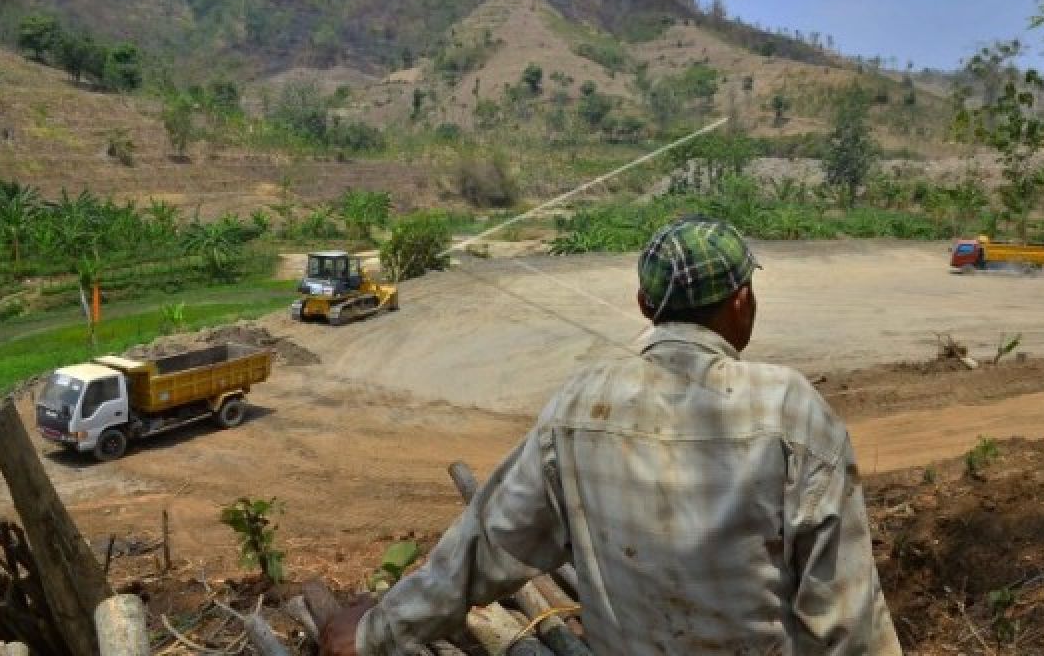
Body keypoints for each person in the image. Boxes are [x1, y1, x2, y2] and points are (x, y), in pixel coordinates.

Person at [322, 216, 901, 655]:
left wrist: (374, 631)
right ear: (742, 301)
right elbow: (848, 620)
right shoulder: (790, 410)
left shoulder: (578, 405)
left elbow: (482, 549)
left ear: (645, 304)